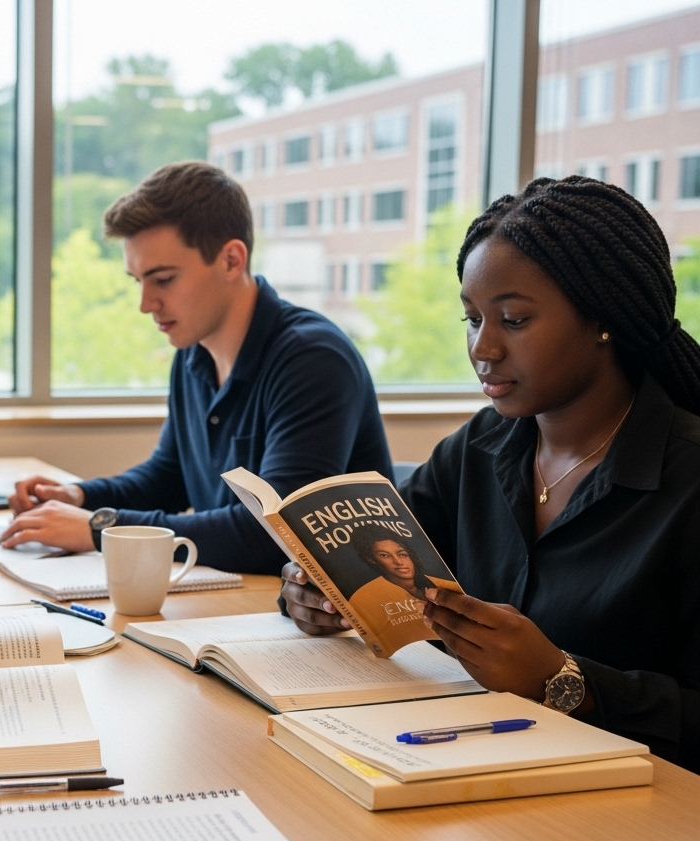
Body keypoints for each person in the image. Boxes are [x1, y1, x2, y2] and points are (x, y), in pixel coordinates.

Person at [281, 176, 700, 772]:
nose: (484, 348)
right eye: (472, 319)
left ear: (606, 318)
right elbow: (362, 562)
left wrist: (563, 679)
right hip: (464, 770)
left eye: (514, 320)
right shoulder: (480, 446)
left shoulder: (687, 480)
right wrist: (311, 592)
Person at [1, 161, 392, 573]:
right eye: (138, 281)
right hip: (247, 606)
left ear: (231, 260)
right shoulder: (192, 352)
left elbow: (275, 535)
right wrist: (78, 497)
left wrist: (101, 529)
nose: (145, 304)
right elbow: (168, 479)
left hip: (328, 626)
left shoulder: (313, 360)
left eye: (163, 279)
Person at [347, 526, 457, 624]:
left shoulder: (444, 585)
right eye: (385, 555)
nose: (399, 562)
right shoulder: (363, 596)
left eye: (402, 554)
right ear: (371, 559)